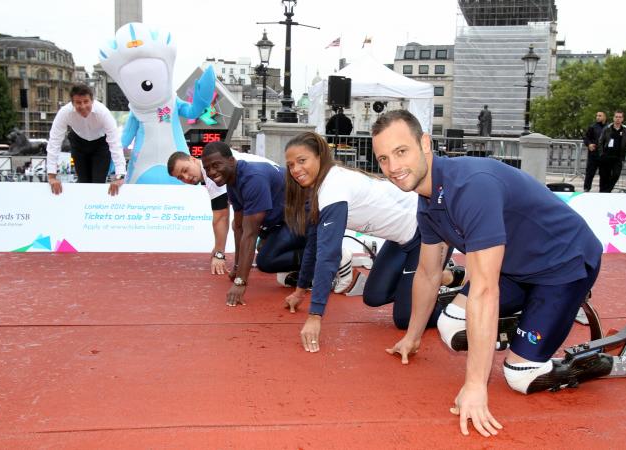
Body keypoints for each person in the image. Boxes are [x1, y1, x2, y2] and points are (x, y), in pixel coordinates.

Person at [372, 110, 604, 438]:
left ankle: (586, 361)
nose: (393, 167)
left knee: (519, 376)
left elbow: (484, 291)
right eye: (383, 159)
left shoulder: (470, 187)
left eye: (400, 152)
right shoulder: (427, 201)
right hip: (514, 269)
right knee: (450, 324)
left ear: (425, 143)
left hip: (563, 266)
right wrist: (412, 337)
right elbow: (427, 273)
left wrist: (475, 386)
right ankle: (526, 324)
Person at [282, 131, 465, 352]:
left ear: (320, 156)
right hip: (400, 240)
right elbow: (313, 245)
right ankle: (443, 278)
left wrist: (315, 315)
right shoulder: (319, 190)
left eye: (302, 161)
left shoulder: (333, 185)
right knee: (373, 297)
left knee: (404, 318)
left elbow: (328, 255)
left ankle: (457, 305)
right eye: (291, 165)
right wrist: (300, 290)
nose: (296, 170)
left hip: (426, 233)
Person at [201, 142, 306, 307]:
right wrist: (236, 266)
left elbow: (250, 234)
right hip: (283, 218)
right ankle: (305, 266)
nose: (211, 172)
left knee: (267, 260)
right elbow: (240, 227)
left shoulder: (253, 178)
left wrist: (240, 282)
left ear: (231, 160)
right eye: (207, 169)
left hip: (306, 215)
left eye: (216, 165)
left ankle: (328, 257)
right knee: (261, 247)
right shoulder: (233, 181)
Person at [167, 148, 279, 276]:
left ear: (193, 159)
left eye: (185, 170)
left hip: (275, 188)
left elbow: (221, 216)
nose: (186, 177)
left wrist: (219, 253)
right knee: (258, 244)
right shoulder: (215, 165)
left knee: (242, 226)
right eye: (181, 177)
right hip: (271, 185)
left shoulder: (211, 172)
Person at [46, 84, 127, 196]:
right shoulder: (65, 112)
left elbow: (115, 143)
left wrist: (120, 176)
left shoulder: (103, 112)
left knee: (97, 184)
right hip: (79, 144)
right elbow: (54, 141)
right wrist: (52, 176)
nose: (83, 106)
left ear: (92, 101)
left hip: (101, 145)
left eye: (86, 101)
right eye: (78, 103)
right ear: (72, 103)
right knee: (83, 183)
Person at [596, 110, 626, 193]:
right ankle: (603, 193)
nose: (618, 119)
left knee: (616, 175)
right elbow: (600, 142)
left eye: (620, 117)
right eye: (616, 117)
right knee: (604, 177)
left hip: (618, 157)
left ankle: (607, 191)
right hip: (606, 156)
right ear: (613, 118)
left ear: (622, 119)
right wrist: (601, 154)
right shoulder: (607, 128)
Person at [583, 111, 607, 192]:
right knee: (590, 172)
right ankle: (586, 188)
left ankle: (603, 190)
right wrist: (589, 144)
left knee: (604, 174)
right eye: (597, 115)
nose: (597, 117)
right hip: (593, 153)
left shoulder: (609, 127)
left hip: (604, 154)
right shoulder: (592, 127)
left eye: (600, 116)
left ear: (604, 117)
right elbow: (586, 138)